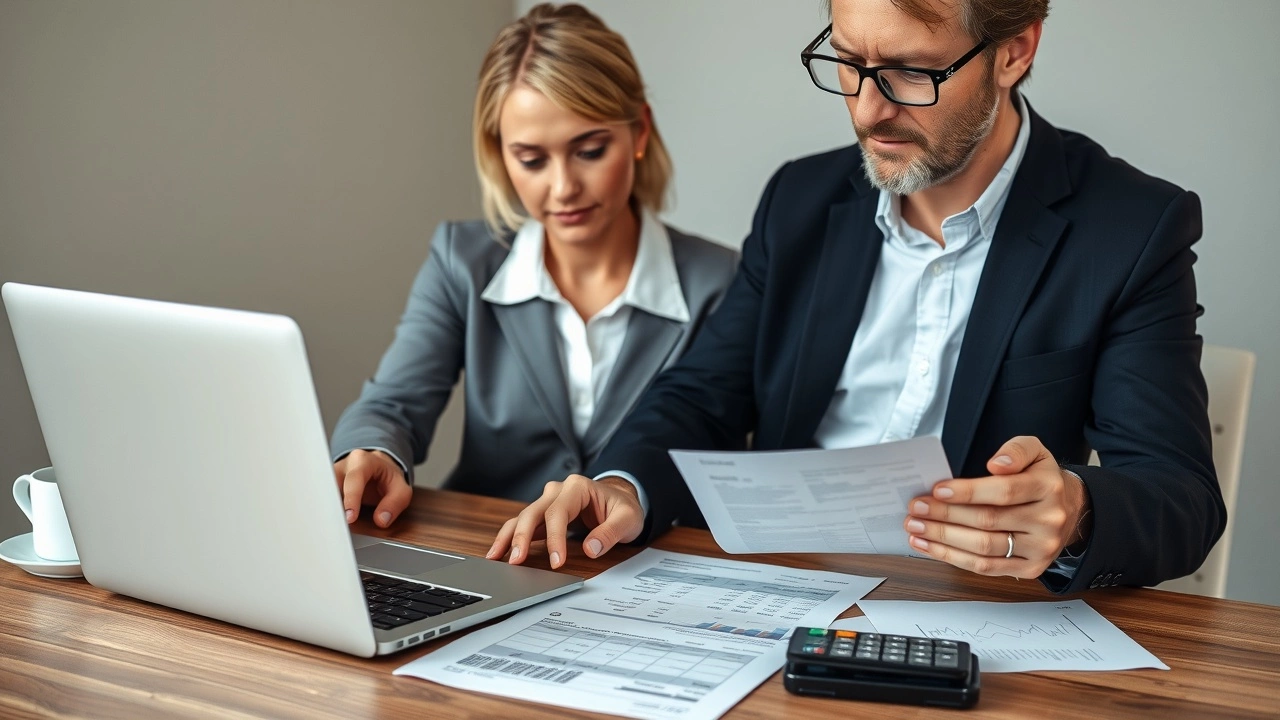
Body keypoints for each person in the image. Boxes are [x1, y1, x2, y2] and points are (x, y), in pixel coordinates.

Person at [488, 0, 1226, 595]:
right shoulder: (800, 199)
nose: (869, 110)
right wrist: (623, 485)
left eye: (910, 72)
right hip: (773, 593)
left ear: (1015, 51)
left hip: (973, 616)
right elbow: (702, 394)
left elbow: (1180, 497)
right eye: (848, 60)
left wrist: (1077, 510)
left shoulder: (1128, 227)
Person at [330, 3, 739, 532]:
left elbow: (719, 458)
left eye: (589, 150)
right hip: (489, 549)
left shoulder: (723, 281)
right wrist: (373, 451)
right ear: (499, 154)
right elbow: (394, 402)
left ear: (639, 132)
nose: (563, 187)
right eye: (531, 160)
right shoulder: (463, 261)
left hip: (650, 566)